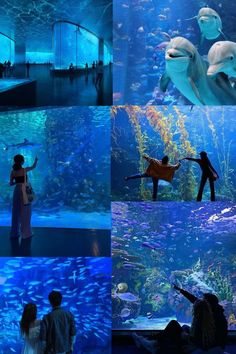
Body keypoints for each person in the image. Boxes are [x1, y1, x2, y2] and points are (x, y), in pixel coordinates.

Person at [133, 299, 223, 354]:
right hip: (193, 341)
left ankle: (151, 342)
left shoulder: (201, 322)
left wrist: (187, 338)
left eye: (194, 308)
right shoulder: (208, 318)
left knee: (173, 324)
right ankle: (152, 341)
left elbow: (202, 341)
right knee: (182, 326)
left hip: (192, 346)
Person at [173, 284, 228, 350]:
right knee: (184, 327)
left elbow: (205, 336)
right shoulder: (210, 309)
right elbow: (193, 298)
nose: (201, 300)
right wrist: (180, 290)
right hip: (205, 341)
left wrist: (187, 337)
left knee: (178, 328)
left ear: (207, 303)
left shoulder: (213, 317)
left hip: (207, 345)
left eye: (203, 299)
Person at [10, 154, 38, 239]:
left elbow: (11, 184)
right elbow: (33, 167)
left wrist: (17, 183)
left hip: (16, 191)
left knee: (16, 211)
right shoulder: (24, 170)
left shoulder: (12, 172)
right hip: (25, 191)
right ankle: (26, 233)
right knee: (26, 212)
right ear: (22, 161)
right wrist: (36, 160)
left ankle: (14, 233)